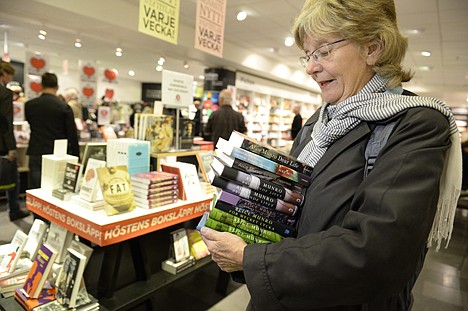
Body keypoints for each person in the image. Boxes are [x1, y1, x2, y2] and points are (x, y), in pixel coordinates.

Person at [200, 0, 462, 310]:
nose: (311, 67)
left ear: (372, 48)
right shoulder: (319, 122)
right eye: (308, 55)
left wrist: (249, 258)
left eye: (324, 51)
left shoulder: (415, 124)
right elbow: (292, 212)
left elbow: (378, 254)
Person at [25, 72, 80, 189]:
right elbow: (72, 135)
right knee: (55, 190)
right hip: (57, 154)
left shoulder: (29, 105)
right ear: (57, 87)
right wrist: (76, 157)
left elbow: (31, 124)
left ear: (41, 86)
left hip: (36, 150)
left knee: (35, 189)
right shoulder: (64, 107)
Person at [0, 62, 30, 221]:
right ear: (4, 73)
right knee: (12, 177)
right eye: (10, 74)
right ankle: (14, 210)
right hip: (2, 145)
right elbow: (5, 121)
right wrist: (11, 147)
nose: (11, 78)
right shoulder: (4, 93)